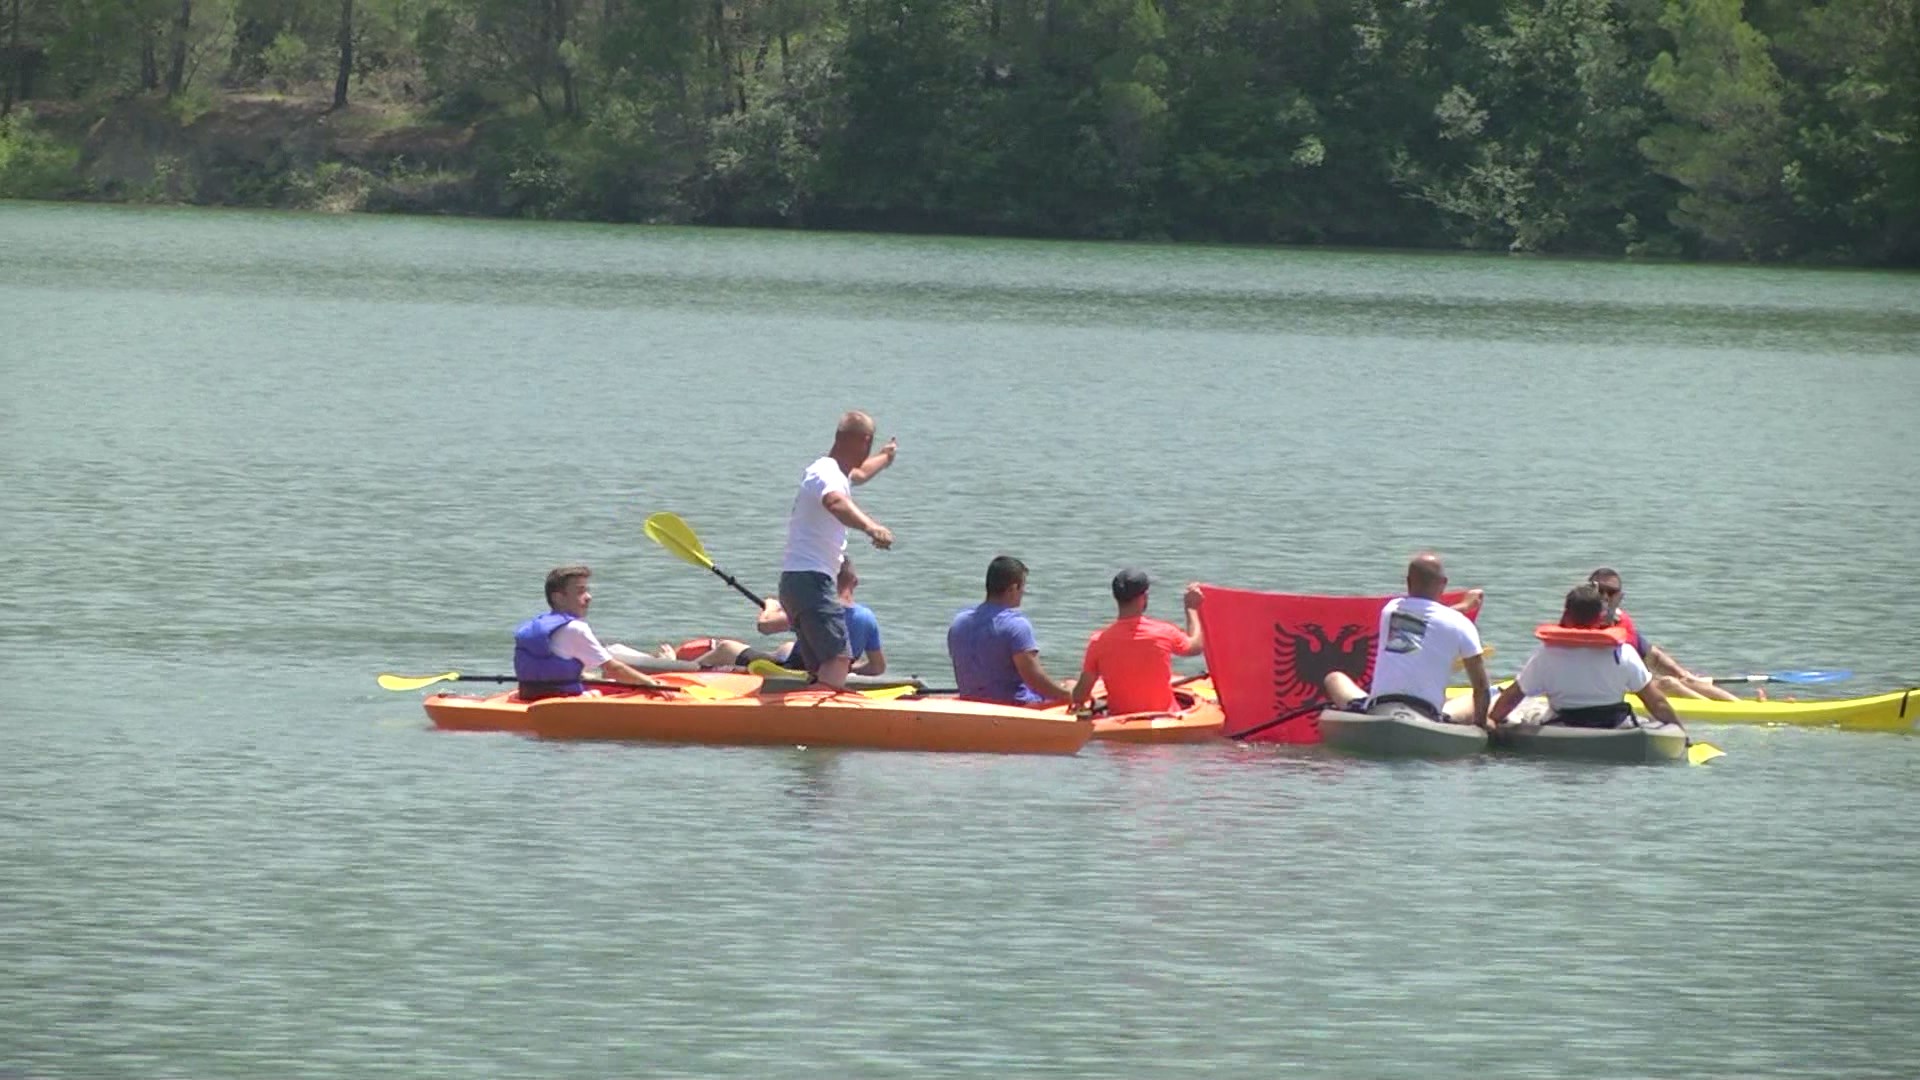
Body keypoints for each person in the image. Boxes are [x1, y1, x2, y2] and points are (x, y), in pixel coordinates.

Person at [779, 411, 897, 690]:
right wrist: (871, 527)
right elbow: (836, 502)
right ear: (865, 440)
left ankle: (802, 716)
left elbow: (861, 473)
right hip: (812, 580)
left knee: (820, 666)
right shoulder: (827, 473)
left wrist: (885, 457)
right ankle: (815, 720)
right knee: (838, 660)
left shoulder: (833, 471)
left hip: (796, 582)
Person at [1323, 553, 1491, 727]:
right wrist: (1480, 728)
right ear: (1443, 584)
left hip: (1378, 708)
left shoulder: (1391, 610)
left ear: (1408, 582)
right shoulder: (1461, 624)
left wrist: (1462, 607)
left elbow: (1426, 619)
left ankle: (1348, 723)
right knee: (1475, 698)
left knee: (1334, 678)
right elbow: (1481, 688)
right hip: (1427, 716)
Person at [1490, 583, 1685, 729]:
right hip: (1613, 727)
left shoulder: (1546, 654)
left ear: (1567, 614)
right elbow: (1656, 702)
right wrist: (1681, 735)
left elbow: (1511, 698)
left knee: (1526, 709)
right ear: (1600, 616)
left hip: (1563, 727)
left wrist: (1491, 721)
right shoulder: (1623, 652)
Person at [665, 557, 888, 675]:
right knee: (787, 646)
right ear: (855, 583)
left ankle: (676, 668)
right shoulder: (867, 617)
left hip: (797, 673)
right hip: (834, 672)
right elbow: (877, 668)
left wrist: (771, 606)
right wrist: (849, 670)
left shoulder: (814, 608)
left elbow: (765, 626)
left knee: (726, 648)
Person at [513, 564, 666, 700]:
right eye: (580, 591)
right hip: (562, 700)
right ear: (558, 598)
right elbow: (613, 669)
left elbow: (554, 669)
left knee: (604, 682)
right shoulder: (576, 628)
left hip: (530, 695)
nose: (589, 597)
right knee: (629, 689)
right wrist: (650, 683)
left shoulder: (536, 625)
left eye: (587, 591)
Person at [1587, 567, 1740, 701]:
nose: (1605, 597)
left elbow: (1654, 656)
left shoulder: (1622, 621)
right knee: (1669, 684)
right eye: (1600, 591)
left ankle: (1739, 706)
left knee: (1688, 680)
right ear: (1590, 592)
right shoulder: (1581, 618)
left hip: (1633, 682)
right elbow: (1601, 640)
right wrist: (1610, 611)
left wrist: (1683, 674)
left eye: (1611, 592)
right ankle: (1724, 713)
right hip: (1607, 687)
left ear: (1620, 595)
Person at [1071, 570, 1205, 715]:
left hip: (1120, 723)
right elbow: (1196, 647)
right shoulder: (1164, 632)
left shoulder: (1098, 641)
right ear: (1144, 597)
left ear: (1116, 598)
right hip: (1165, 718)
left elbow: (1079, 696)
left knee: (1071, 684)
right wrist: (1192, 608)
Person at [948, 555, 1075, 706]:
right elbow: (1034, 679)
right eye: (1023, 587)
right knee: (1071, 683)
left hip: (970, 703)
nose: (1024, 592)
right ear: (1013, 588)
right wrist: (1068, 695)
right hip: (1014, 707)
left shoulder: (958, 622)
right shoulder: (1016, 625)